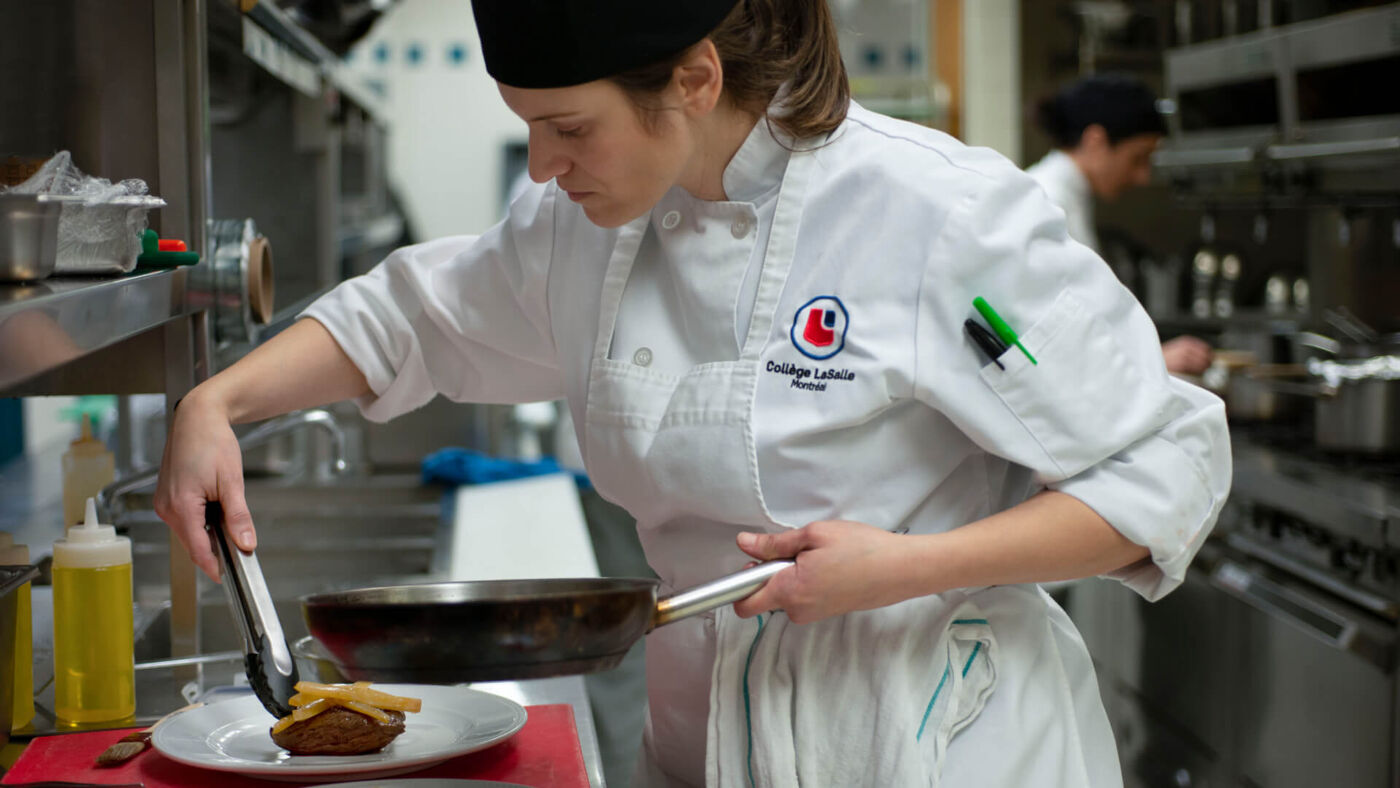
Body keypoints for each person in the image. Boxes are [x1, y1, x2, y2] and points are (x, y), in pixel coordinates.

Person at [154, 2, 1231, 785]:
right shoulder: (579, 229)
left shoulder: (936, 215)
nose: (540, 166)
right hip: (700, 742)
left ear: (696, 80)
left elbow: (1164, 466)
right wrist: (219, 403)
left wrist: (908, 566)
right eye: (527, 124)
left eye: (569, 128)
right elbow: (412, 317)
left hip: (938, 739)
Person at [1027, 74, 1213, 376]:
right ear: (1096, 141)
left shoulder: (1062, 196)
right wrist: (1152, 361)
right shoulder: (1049, 203)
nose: (1142, 177)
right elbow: (1054, 339)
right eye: (1138, 158)